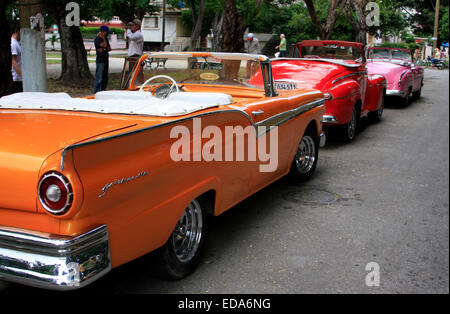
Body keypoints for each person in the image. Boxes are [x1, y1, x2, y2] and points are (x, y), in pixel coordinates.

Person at [94, 25, 112, 93]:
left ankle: (103, 90)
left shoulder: (106, 38)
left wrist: (104, 49)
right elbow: (104, 45)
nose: (107, 34)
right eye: (106, 32)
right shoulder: (97, 39)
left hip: (105, 59)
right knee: (99, 76)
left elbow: (109, 48)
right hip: (100, 60)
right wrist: (104, 40)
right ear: (103, 32)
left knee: (105, 76)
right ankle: (96, 91)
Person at [126, 19, 144, 84]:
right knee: (132, 73)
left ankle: (139, 84)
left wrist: (128, 30)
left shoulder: (138, 34)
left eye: (133, 25)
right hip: (132, 56)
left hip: (136, 56)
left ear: (137, 26)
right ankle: (133, 84)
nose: (131, 27)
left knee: (138, 73)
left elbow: (131, 37)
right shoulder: (135, 33)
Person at [11, 23, 23, 93]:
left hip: (18, 78)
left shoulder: (17, 43)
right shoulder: (13, 44)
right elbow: (13, 62)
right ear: (16, 31)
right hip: (16, 78)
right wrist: (22, 76)